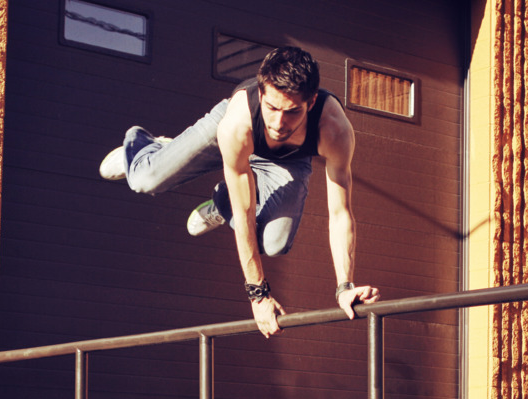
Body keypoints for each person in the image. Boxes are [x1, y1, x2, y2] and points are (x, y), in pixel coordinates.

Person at [99, 46, 380, 338]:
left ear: (310, 103)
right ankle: (147, 146)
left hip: (288, 161)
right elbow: (245, 213)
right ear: (261, 95)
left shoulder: (333, 129)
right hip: (236, 138)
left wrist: (344, 287)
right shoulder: (237, 122)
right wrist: (258, 295)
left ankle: (221, 204)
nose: (278, 124)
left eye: (292, 112)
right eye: (272, 108)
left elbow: (340, 213)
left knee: (274, 244)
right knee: (145, 180)